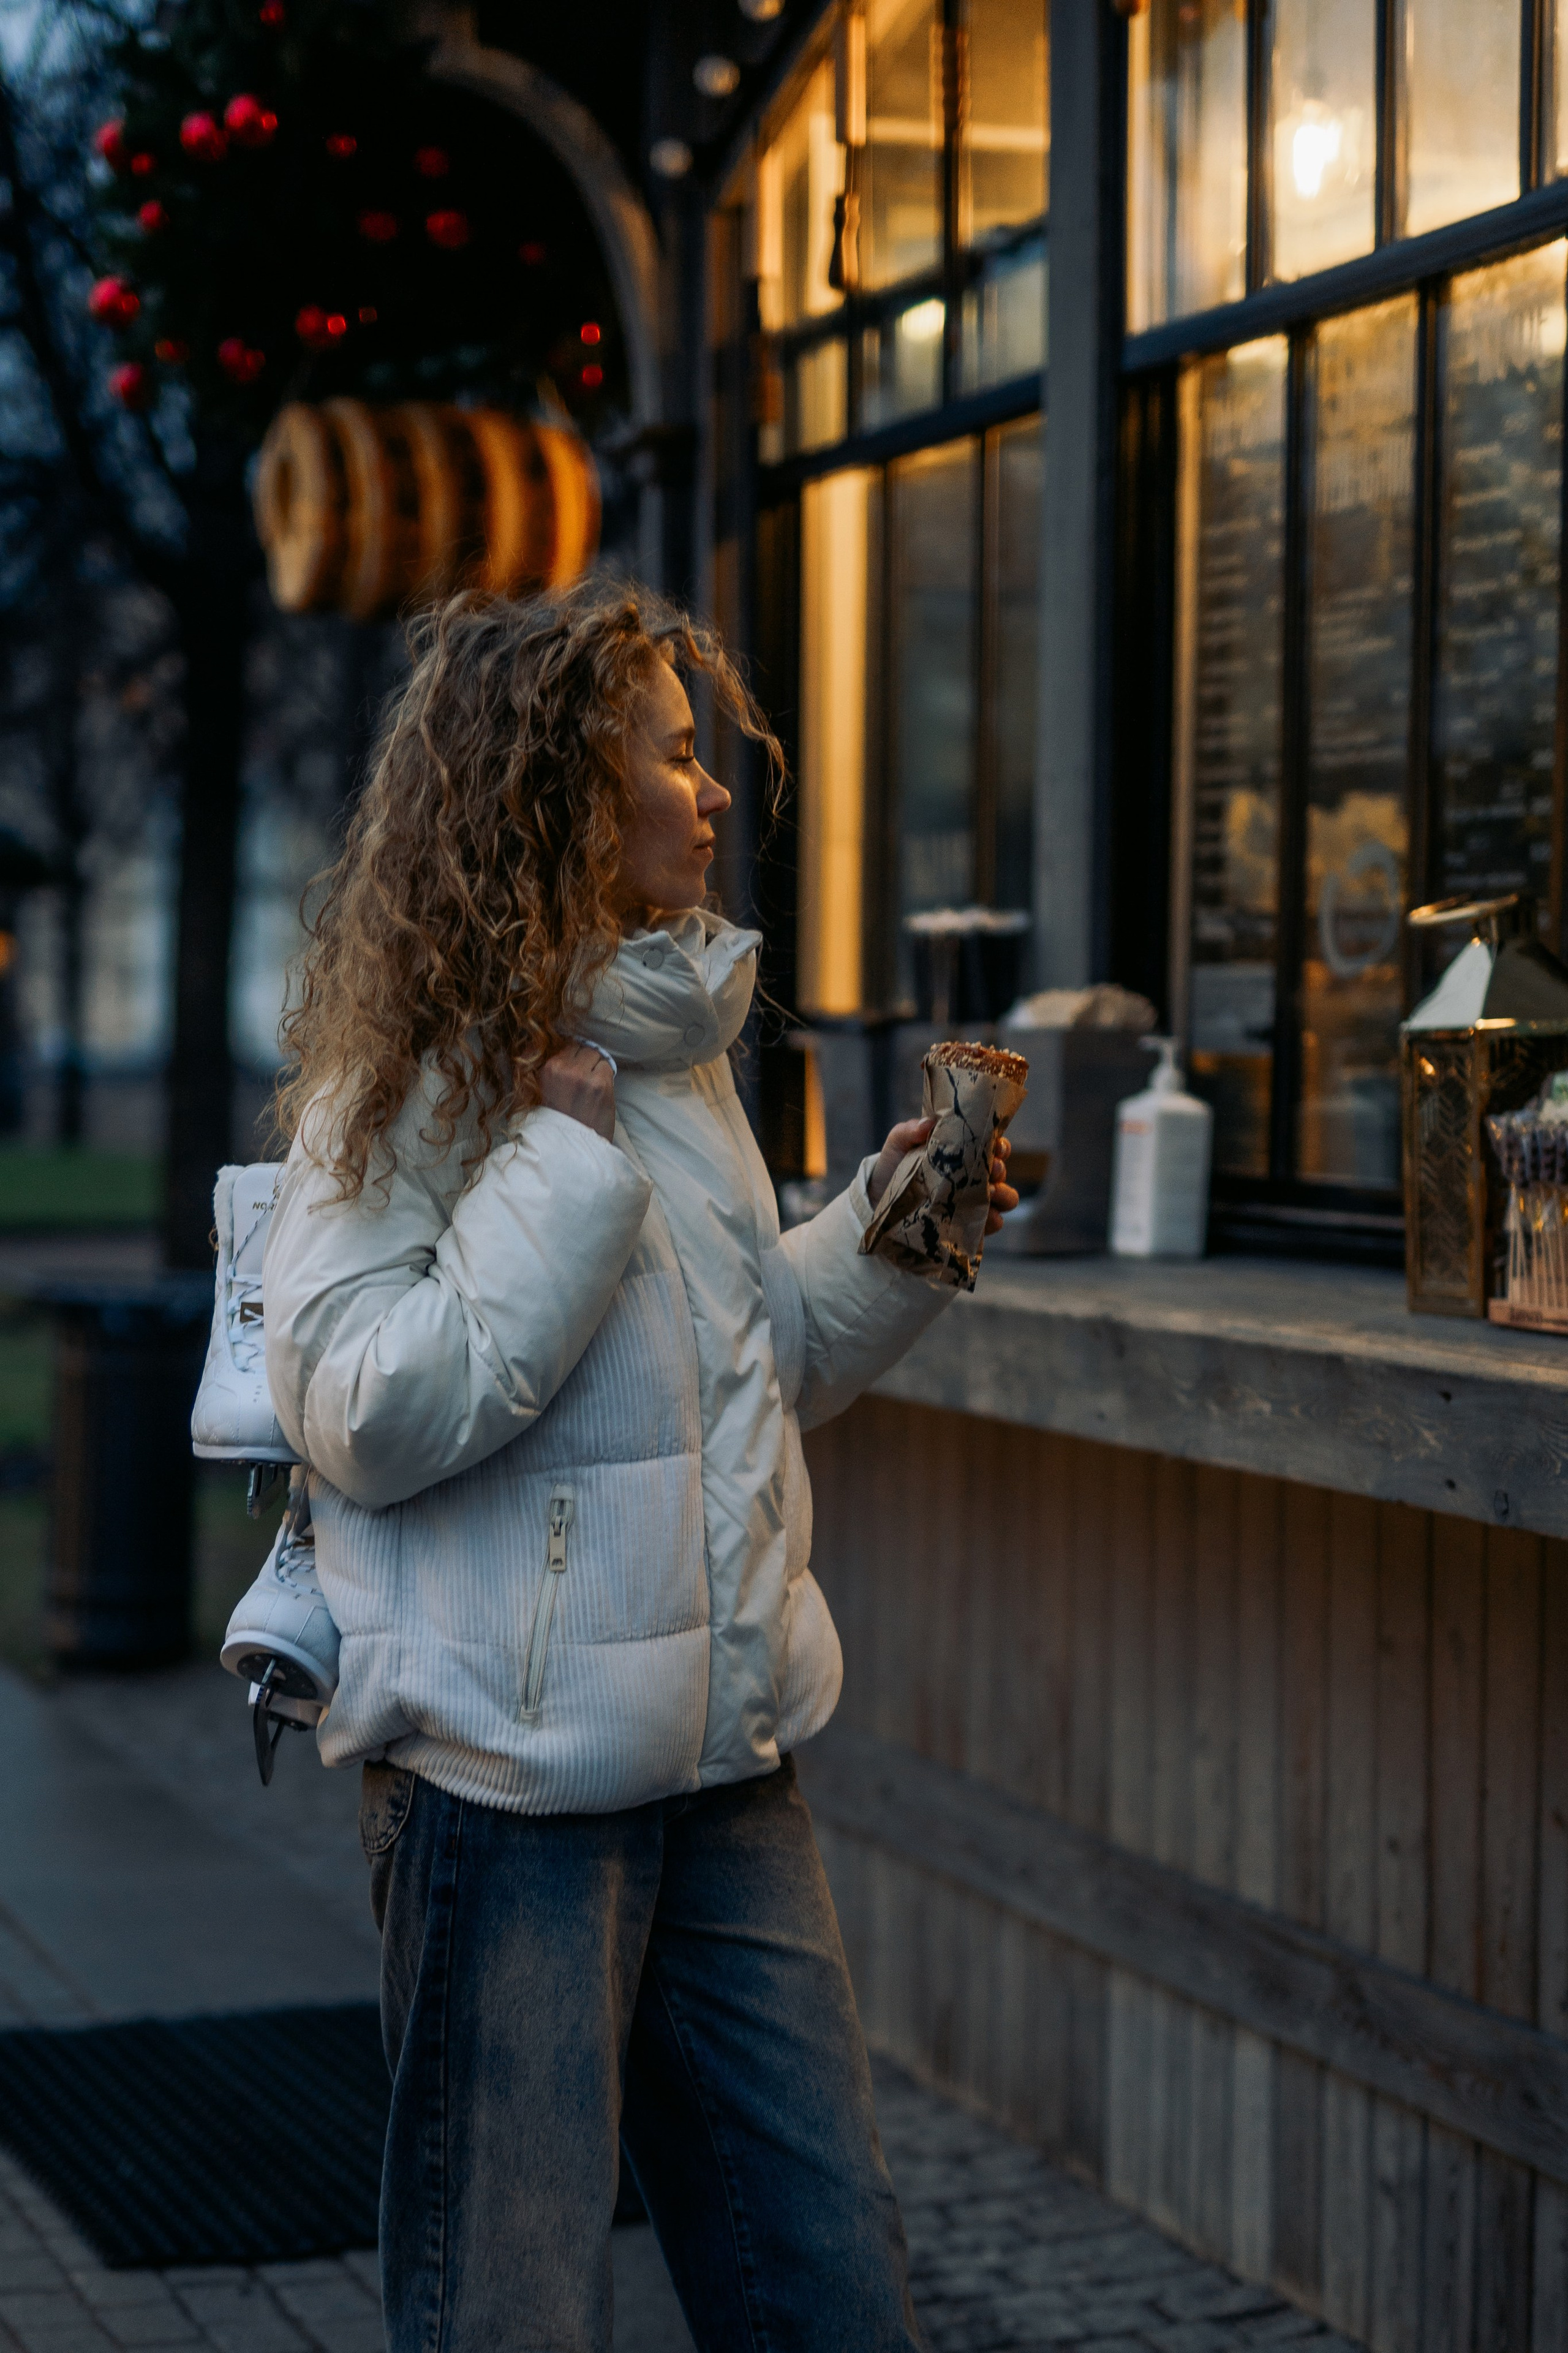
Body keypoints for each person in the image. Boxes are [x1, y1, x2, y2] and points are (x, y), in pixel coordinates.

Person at [260, 583, 1017, 2353]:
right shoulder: (422, 1067)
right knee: (510, 2321)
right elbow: (358, 1403)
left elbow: (751, 1373)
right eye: (678, 759)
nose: (713, 794)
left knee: (831, 2303)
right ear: (566, 800)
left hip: (727, 1771)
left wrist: (897, 1231)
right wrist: (559, 1161)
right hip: (510, 1800)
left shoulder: (676, 1056)